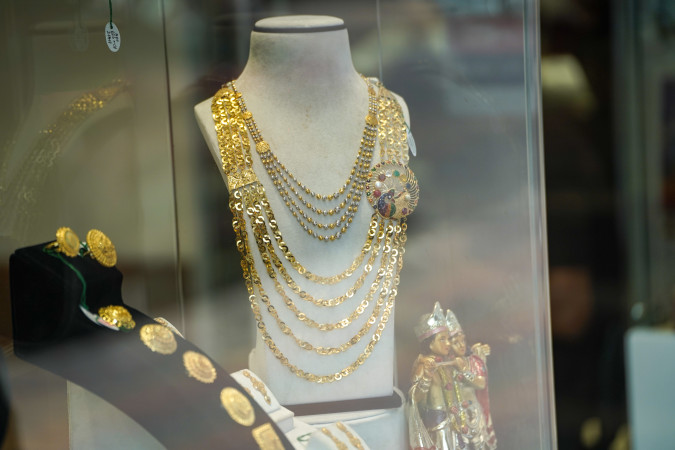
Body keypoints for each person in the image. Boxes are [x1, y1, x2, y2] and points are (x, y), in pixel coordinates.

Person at [408, 302, 497, 450]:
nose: (448, 343)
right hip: (437, 426)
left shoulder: (447, 364)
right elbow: (415, 399)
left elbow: (474, 382)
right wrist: (426, 378)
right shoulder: (424, 365)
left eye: (448, 339)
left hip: (454, 423)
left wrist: (475, 353)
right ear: (430, 344)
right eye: (442, 339)